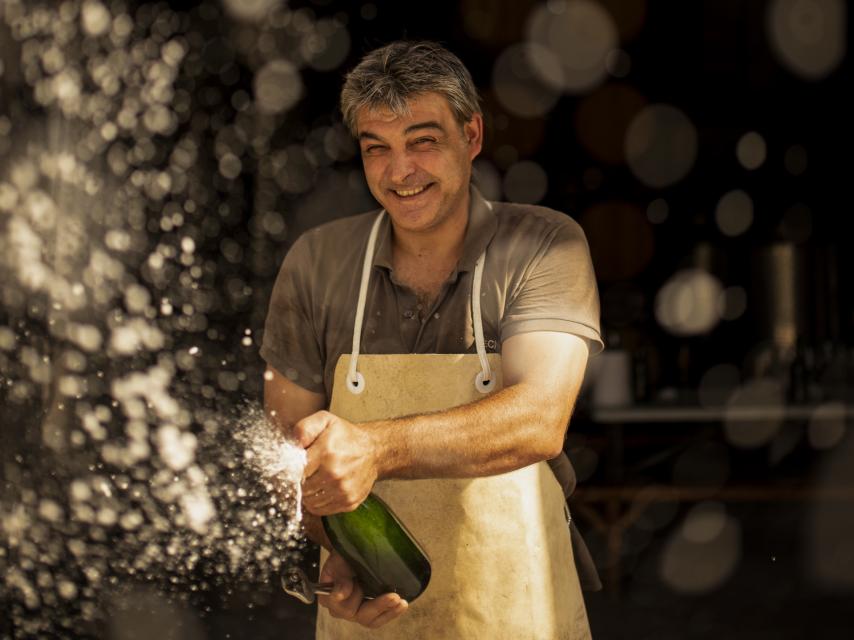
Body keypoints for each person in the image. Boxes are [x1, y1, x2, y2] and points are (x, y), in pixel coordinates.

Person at [261, 40, 603, 639]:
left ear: (470, 136)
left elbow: (538, 418)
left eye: (423, 141)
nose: (400, 172)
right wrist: (337, 545)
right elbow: (288, 451)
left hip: (516, 609)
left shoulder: (545, 244)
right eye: (378, 149)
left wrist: (376, 450)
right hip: (368, 618)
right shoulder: (316, 263)